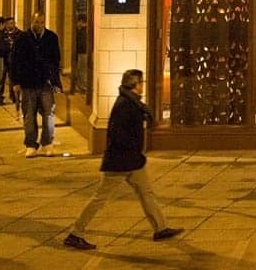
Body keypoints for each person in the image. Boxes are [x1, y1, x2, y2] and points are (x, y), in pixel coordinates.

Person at [63, 69, 182, 250]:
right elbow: (118, 135)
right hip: (121, 162)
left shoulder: (131, 103)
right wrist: (132, 152)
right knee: (100, 198)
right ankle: (75, 233)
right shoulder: (125, 105)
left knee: (146, 193)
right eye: (141, 83)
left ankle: (161, 227)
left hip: (131, 161)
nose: (143, 86)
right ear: (135, 84)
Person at [10, 12, 62, 157]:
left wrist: (56, 81)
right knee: (29, 115)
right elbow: (14, 61)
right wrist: (15, 82)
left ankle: (47, 143)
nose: (38, 25)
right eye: (36, 22)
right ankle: (31, 144)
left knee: (49, 114)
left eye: (41, 22)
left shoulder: (51, 37)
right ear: (31, 22)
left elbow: (56, 61)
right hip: (28, 83)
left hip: (46, 82)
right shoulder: (23, 38)